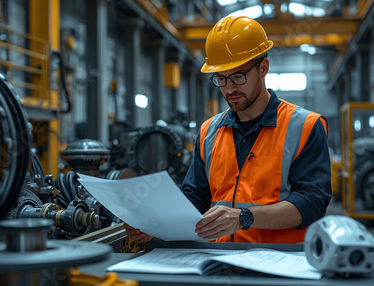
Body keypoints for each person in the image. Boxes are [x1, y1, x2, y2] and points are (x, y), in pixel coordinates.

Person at [125, 15, 331, 244]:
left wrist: (245, 218)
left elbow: (312, 201)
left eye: (238, 76)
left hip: (280, 262)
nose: (229, 88)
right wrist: (158, 226)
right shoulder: (209, 132)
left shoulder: (305, 126)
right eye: (221, 79)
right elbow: (196, 197)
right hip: (219, 260)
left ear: (263, 68)